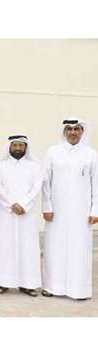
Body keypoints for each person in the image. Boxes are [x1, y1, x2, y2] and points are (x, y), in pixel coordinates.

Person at [42, 119, 98, 300]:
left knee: (79, 249)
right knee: (54, 248)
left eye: (77, 129)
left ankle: (79, 290)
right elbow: (45, 182)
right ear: (64, 132)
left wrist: (95, 210)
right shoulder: (53, 152)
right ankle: (52, 287)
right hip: (56, 212)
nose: (73, 132)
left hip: (81, 212)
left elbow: (96, 184)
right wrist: (47, 206)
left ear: (82, 132)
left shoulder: (91, 154)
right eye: (69, 129)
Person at [0, 135, 42, 297]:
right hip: (5, 213)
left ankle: (28, 284)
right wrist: (11, 204)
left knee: (27, 248)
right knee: (4, 247)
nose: (18, 148)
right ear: (9, 147)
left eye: (21, 145)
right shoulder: (0, 166)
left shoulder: (34, 166)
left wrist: (24, 205)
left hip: (26, 214)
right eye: (15, 145)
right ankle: (4, 282)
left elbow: (36, 188)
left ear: (26, 147)